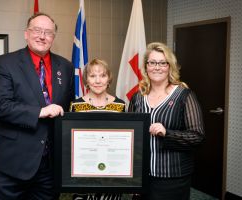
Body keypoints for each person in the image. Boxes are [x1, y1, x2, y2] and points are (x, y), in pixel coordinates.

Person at [0, 12, 74, 200]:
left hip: (49, 168)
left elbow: (67, 109)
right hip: (10, 165)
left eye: (48, 32)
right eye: (37, 30)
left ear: (53, 37)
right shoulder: (5, 63)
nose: (42, 36)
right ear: (26, 33)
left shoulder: (65, 67)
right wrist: (40, 112)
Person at [128, 42, 205, 200]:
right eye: (152, 62)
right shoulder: (137, 97)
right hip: (142, 176)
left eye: (163, 63)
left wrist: (167, 133)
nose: (157, 67)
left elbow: (197, 136)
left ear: (170, 66)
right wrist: (133, 177)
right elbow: (131, 138)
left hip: (172, 178)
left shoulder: (184, 96)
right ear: (146, 66)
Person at [70, 58, 125, 200]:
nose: (98, 81)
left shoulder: (121, 105)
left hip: (112, 172)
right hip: (84, 170)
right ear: (86, 80)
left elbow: (124, 142)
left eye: (102, 75)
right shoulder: (75, 106)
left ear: (109, 79)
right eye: (93, 76)